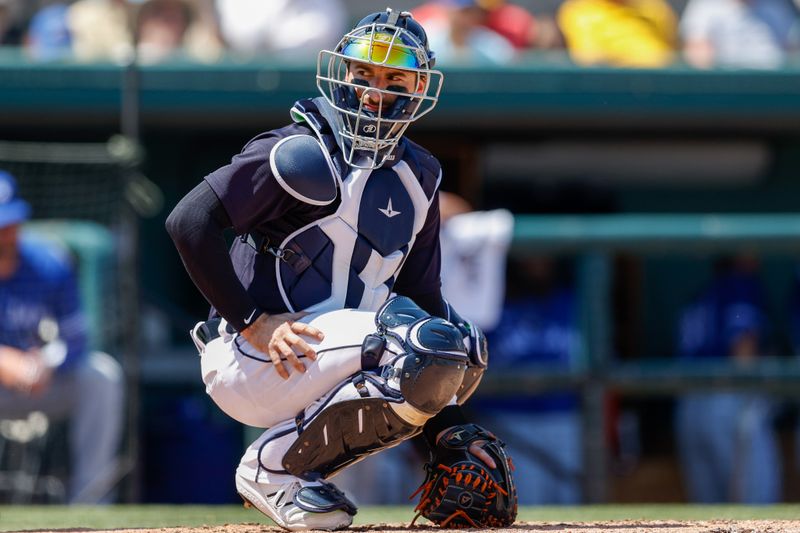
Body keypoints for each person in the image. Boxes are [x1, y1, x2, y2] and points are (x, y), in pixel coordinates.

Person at [166, 9, 507, 530]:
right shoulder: (301, 153)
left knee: (460, 345)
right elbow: (189, 222)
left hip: (336, 361)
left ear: (419, 86)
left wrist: (448, 429)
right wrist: (252, 320)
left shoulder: (420, 174)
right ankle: (271, 472)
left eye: (395, 79)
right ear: (341, 75)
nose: (375, 91)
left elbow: (421, 295)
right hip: (254, 355)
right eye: (364, 74)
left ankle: (294, 477)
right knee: (427, 341)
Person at [0, 170, 124, 503]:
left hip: (42, 381)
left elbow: (77, 338)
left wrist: (47, 362)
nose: (5, 233)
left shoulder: (47, 263)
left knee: (101, 375)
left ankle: (90, 501)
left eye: (10, 224)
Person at [674, 254, 781, 503]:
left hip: (688, 408)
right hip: (728, 400)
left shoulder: (701, 295)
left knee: (708, 514)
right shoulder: (741, 284)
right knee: (756, 507)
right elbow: (743, 354)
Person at [680, 0, 800, 69]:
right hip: (727, 93)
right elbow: (698, 55)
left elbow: (791, 49)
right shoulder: (706, 6)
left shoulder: (777, 6)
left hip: (776, 90)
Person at [557, 0, 678, 68]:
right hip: (613, 94)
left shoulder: (654, 7)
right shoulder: (580, 10)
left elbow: (673, 48)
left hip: (664, 87)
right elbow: (589, 59)